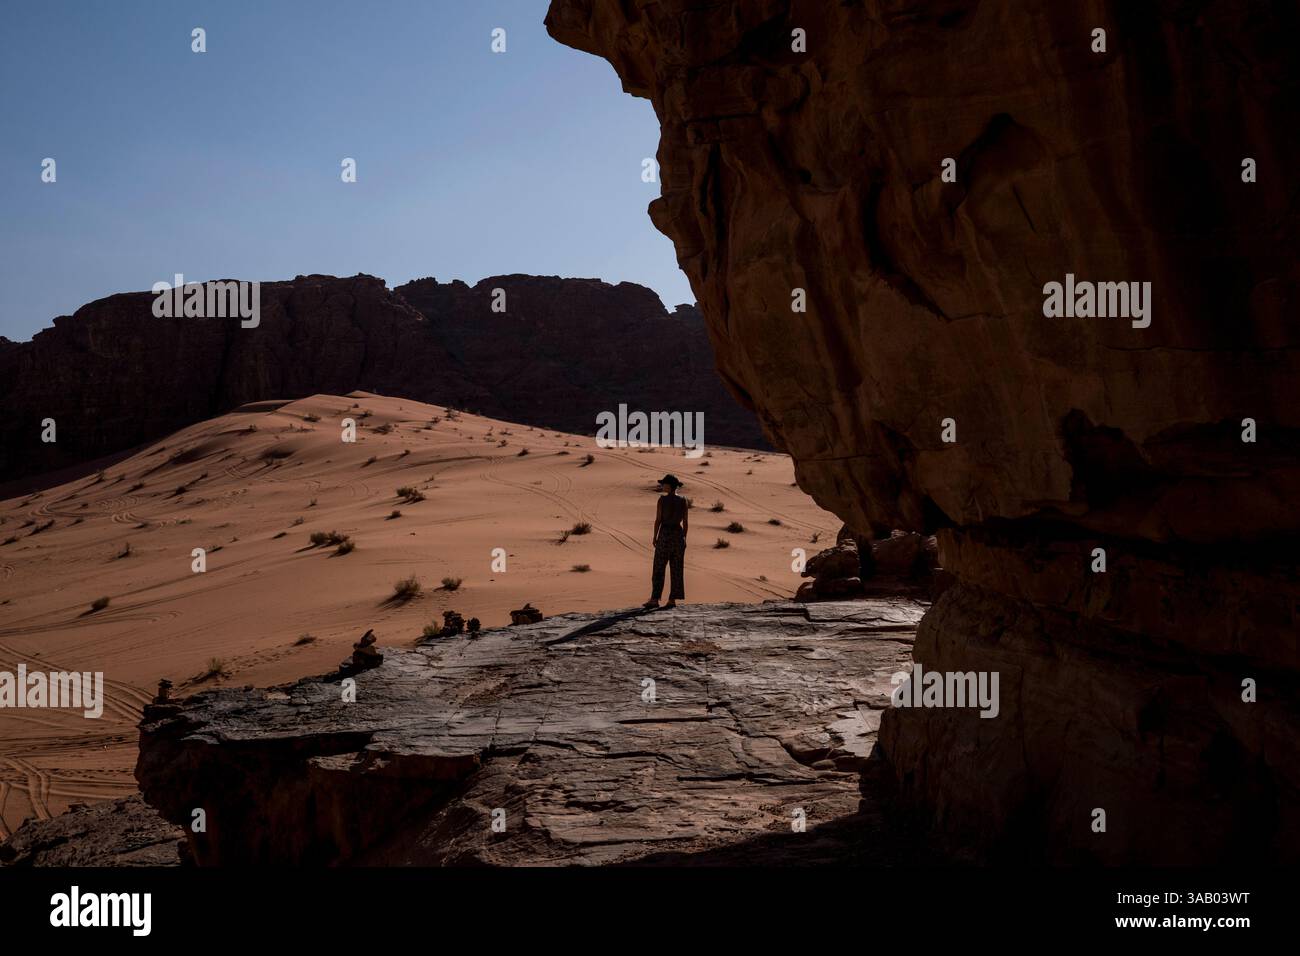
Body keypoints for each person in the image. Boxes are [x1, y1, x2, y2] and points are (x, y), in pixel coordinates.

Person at [644, 474, 688, 609]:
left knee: (659, 567)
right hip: (678, 535)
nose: (662, 486)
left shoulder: (662, 500)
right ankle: (672, 600)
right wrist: (684, 538)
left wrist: (654, 536)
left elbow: (658, 520)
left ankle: (654, 599)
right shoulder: (683, 500)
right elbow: (685, 522)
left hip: (665, 534)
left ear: (669, 486)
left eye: (664, 484)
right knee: (676, 568)